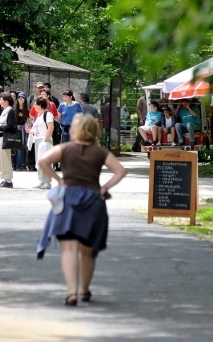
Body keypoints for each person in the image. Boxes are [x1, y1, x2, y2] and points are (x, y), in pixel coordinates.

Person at [36, 114, 128, 306]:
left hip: (68, 199)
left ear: (75, 129)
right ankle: (84, 290)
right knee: (87, 250)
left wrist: (59, 180)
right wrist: (104, 188)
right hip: (93, 201)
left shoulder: (65, 148)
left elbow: (42, 161)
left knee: (69, 248)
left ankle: (72, 293)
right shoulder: (100, 152)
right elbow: (121, 171)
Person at [27, 97, 55, 189]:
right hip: (38, 140)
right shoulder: (38, 115)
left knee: (45, 162)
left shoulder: (48, 114)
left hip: (45, 140)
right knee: (39, 161)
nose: (33, 106)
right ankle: (42, 180)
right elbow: (38, 129)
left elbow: (50, 127)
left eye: (35, 104)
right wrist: (31, 131)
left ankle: (47, 182)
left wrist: (46, 140)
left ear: (40, 105)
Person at [0, 94, 16, 188]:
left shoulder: (10, 111)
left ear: (6, 101)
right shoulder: (4, 110)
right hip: (1, 136)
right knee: (2, 159)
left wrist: (1, 127)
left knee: (5, 158)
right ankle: (5, 179)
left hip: (5, 136)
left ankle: (8, 180)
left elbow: (12, 126)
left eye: (1, 100)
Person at [12, 92, 31, 170]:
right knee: (14, 147)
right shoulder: (14, 109)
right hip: (15, 128)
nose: (21, 99)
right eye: (19, 98)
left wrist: (28, 128)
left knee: (21, 147)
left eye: (22, 98)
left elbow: (28, 121)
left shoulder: (27, 110)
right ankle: (14, 165)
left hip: (23, 129)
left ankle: (19, 165)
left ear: (25, 99)